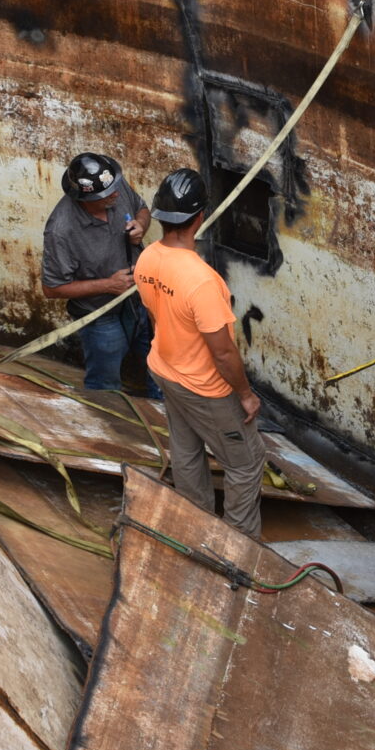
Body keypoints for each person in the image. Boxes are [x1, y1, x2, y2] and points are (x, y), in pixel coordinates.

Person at [132, 167, 269, 536]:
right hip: (205, 387)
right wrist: (245, 395)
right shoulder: (203, 281)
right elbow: (223, 354)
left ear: (160, 216)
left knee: (186, 450)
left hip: (164, 368)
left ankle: (195, 526)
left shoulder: (146, 260)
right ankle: (239, 546)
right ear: (200, 218)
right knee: (246, 463)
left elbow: (156, 315)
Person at [40, 152, 153, 394]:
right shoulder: (61, 231)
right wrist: (108, 285)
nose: (116, 194)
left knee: (160, 365)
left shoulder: (112, 183)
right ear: (84, 198)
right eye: (106, 195)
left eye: (115, 188)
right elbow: (51, 289)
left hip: (138, 301)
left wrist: (141, 225)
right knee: (105, 384)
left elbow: (142, 208)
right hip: (99, 314)